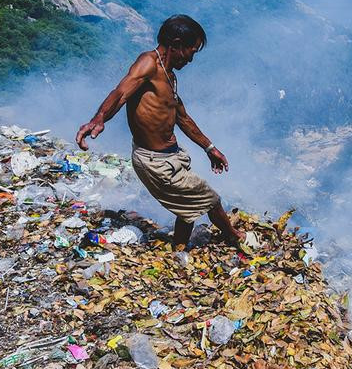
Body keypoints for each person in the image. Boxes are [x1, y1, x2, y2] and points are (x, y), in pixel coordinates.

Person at [76, 14, 244, 248]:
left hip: (172, 157)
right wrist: (100, 117)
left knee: (188, 210)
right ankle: (233, 236)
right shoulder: (149, 63)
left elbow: (183, 118)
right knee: (210, 199)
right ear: (176, 44)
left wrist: (210, 148)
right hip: (154, 162)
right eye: (191, 52)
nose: (191, 60)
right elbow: (121, 92)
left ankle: (179, 249)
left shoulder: (169, 76)